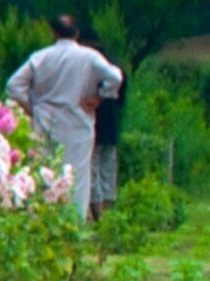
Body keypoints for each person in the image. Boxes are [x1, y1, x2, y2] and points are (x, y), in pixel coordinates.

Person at [6, 16, 124, 221]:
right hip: (77, 123)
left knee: (45, 173)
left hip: (45, 123)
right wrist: (100, 96)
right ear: (76, 34)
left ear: (54, 33)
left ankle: (45, 221)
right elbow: (115, 77)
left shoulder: (40, 57)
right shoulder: (89, 57)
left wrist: (30, 108)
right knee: (77, 177)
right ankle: (75, 224)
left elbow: (13, 86)